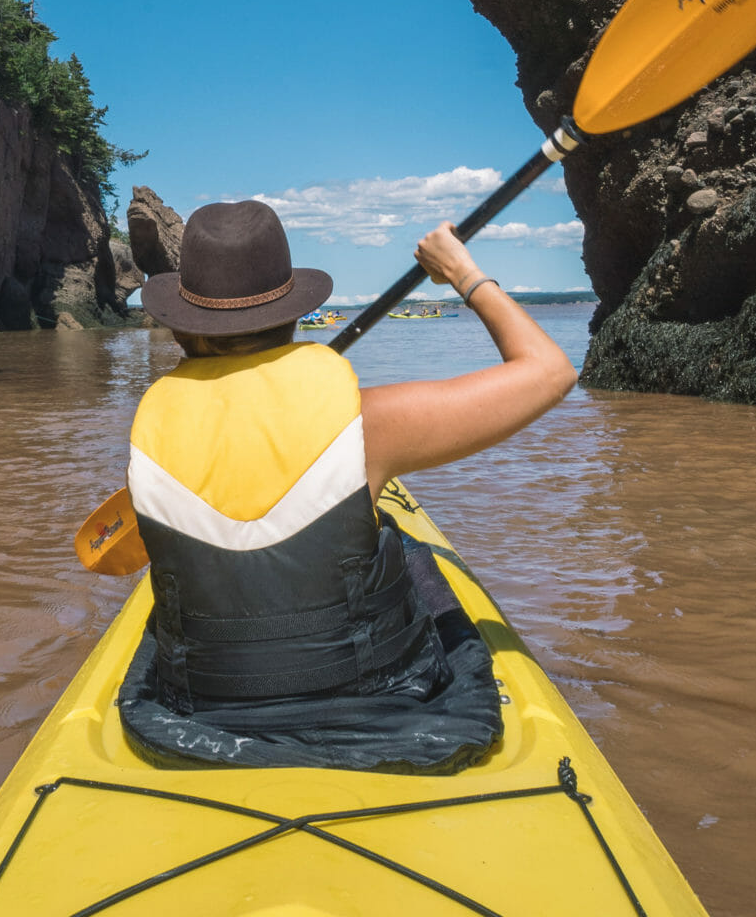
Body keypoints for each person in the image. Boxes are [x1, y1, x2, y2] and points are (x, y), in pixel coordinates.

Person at [121, 198, 575, 771]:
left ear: (184, 324)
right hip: (377, 705)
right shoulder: (371, 426)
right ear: (291, 314)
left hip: (203, 712)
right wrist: (462, 271)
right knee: (408, 554)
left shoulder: (149, 435)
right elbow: (549, 370)